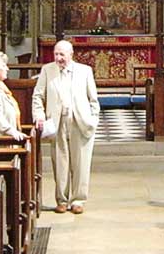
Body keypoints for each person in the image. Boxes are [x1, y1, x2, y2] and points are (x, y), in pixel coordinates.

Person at [32, 40, 100, 214]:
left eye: (62, 54)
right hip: (58, 122)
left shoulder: (85, 71)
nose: (58, 58)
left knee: (80, 162)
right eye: (56, 54)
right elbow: (38, 96)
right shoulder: (47, 70)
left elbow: (93, 100)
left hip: (79, 122)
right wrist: (39, 116)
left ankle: (78, 200)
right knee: (60, 162)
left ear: (71, 54)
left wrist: (93, 120)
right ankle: (61, 200)